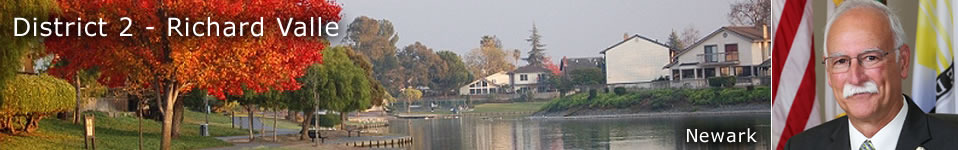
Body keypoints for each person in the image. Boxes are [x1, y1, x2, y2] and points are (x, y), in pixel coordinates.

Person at [784, 0, 958, 150]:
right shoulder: (801, 146)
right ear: (829, 72)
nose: (855, 78)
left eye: (870, 58)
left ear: (903, 61)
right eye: (841, 61)